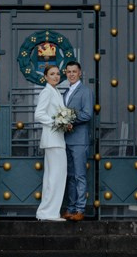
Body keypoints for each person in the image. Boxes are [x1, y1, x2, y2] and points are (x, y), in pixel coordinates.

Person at [60, 60, 94, 221]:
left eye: (74, 71)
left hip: (80, 140)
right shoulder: (65, 93)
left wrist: (69, 117)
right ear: (66, 73)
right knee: (70, 176)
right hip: (66, 139)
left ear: (80, 73)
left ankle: (80, 209)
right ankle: (71, 208)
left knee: (80, 175)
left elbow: (87, 114)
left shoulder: (86, 91)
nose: (71, 74)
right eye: (69, 72)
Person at [33, 64, 67, 221]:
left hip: (57, 139)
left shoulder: (56, 91)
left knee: (54, 177)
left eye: (57, 74)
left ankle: (48, 212)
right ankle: (48, 213)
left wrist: (64, 123)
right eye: (52, 74)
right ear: (45, 77)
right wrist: (57, 122)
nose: (56, 76)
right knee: (55, 177)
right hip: (53, 140)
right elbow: (39, 114)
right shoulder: (46, 92)